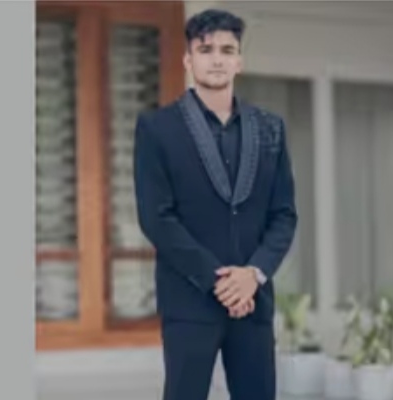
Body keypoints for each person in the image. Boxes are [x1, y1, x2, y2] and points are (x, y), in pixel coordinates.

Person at [133, 8, 298, 400]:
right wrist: (220, 281)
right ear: (188, 60)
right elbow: (157, 218)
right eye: (206, 50)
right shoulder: (157, 129)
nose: (217, 59)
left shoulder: (271, 129)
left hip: (253, 303)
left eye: (227, 50)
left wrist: (253, 275)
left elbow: (283, 215)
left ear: (240, 61)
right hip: (189, 303)